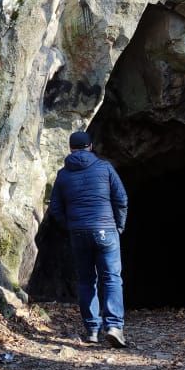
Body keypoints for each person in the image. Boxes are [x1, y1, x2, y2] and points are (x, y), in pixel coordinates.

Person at [48, 130, 128, 348]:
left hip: (79, 233)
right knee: (111, 278)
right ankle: (113, 326)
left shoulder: (63, 175)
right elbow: (121, 199)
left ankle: (92, 329)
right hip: (106, 229)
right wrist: (119, 225)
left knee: (86, 281)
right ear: (90, 147)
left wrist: (70, 226)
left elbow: (55, 207)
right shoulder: (105, 168)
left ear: (70, 149)